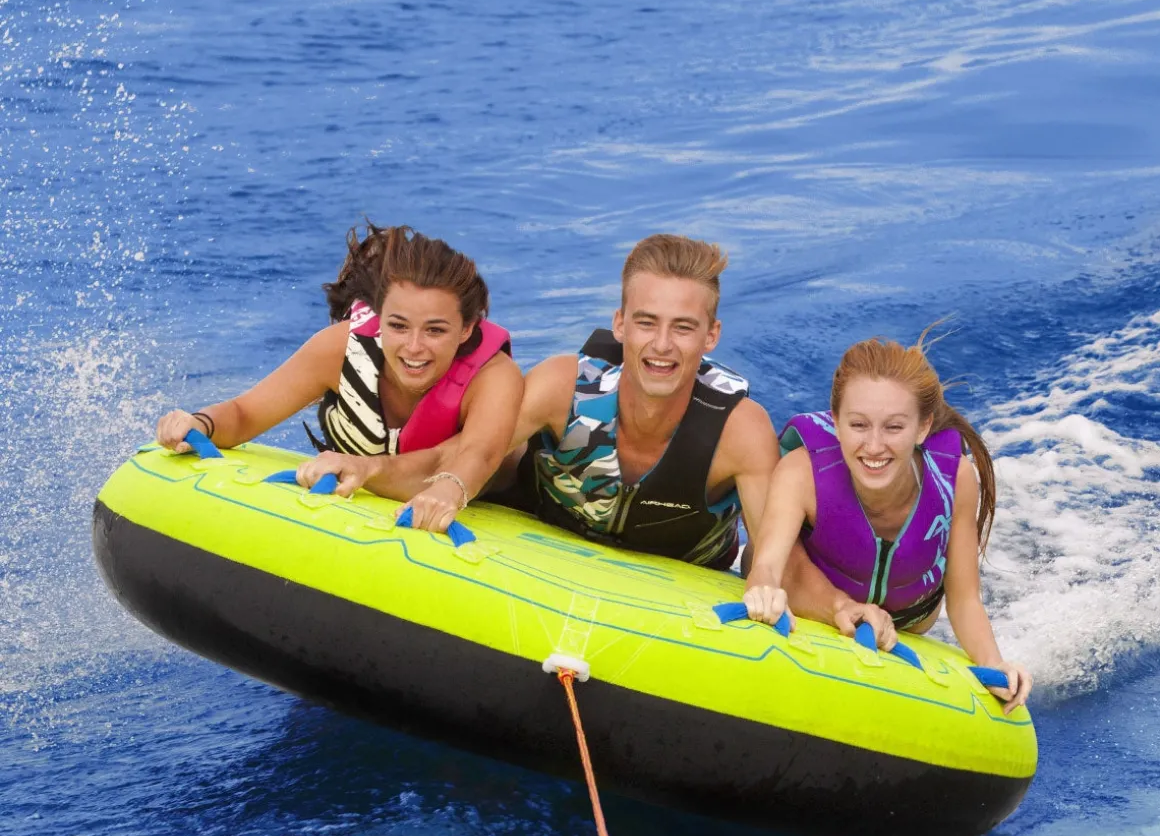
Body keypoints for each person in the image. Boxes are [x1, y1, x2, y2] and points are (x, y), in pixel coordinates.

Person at [486, 233, 890, 649]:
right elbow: (471, 456)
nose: (662, 345)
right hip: (543, 528)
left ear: (711, 335)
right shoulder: (563, 386)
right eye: (646, 322)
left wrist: (840, 606)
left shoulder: (738, 431)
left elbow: (777, 560)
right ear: (620, 323)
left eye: (683, 327)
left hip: (684, 575)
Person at [155, 224, 523, 533]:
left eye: (435, 330)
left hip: (511, 496)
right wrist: (199, 422)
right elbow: (245, 413)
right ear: (379, 316)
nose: (414, 347)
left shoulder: (492, 376)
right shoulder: (340, 350)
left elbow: (479, 452)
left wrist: (449, 490)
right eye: (398, 326)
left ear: (466, 329)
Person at [743, 332, 1032, 713]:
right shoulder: (803, 472)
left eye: (894, 427)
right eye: (858, 425)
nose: (875, 446)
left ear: (923, 428)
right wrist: (764, 591)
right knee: (766, 555)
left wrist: (994, 662)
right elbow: (766, 567)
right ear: (835, 421)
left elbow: (963, 599)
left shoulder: (954, 479)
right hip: (817, 594)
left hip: (910, 616)